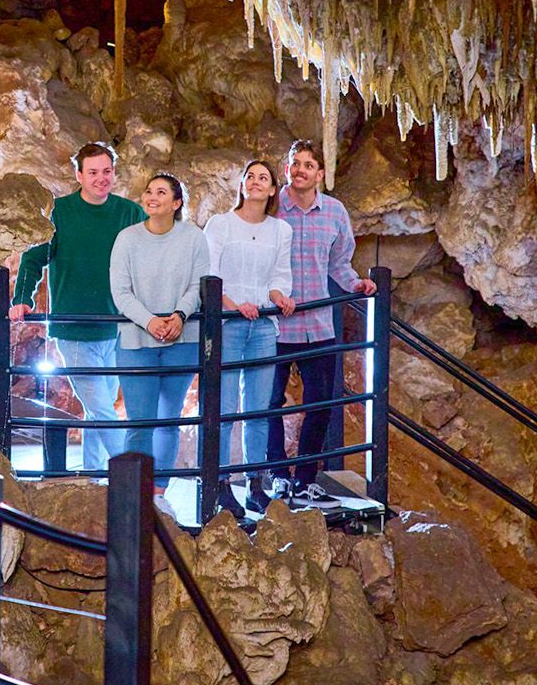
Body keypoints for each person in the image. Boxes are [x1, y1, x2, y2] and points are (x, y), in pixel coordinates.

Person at [11, 143, 146, 471]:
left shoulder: (129, 213)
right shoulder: (60, 213)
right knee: (102, 409)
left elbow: (150, 257)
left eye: (107, 171)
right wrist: (22, 299)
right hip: (73, 330)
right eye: (94, 172)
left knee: (99, 410)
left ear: (114, 172)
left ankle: (95, 476)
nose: (101, 178)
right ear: (79, 175)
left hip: (117, 330)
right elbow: (32, 259)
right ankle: (135, 477)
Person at [265, 139, 378, 505]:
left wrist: (356, 284)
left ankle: (307, 478)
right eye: (294, 163)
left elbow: (339, 264)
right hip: (274, 326)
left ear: (321, 173)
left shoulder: (333, 212)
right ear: (287, 170)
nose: (300, 170)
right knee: (268, 404)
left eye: (308, 165)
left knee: (319, 404)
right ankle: (278, 475)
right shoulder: (269, 206)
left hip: (317, 324)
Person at [109, 173, 209, 492]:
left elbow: (199, 284)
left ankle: (160, 492)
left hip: (182, 340)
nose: (152, 196)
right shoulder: (127, 238)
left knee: (169, 420)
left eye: (161, 192)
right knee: (140, 422)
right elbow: (120, 291)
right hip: (137, 341)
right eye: (149, 191)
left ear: (176, 203)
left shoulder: (193, 238)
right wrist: (150, 321)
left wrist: (180, 315)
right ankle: (136, 495)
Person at [203, 160, 292, 515]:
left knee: (258, 409)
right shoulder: (221, 225)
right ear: (242, 185)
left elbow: (279, 275)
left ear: (272, 190)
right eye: (250, 177)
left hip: (263, 326)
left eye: (263, 178)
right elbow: (209, 273)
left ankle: (256, 484)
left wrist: (279, 297)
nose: (255, 182)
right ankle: (220, 484)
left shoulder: (280, 230)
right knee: (224, 408)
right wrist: (232, 305)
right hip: (228, 322)